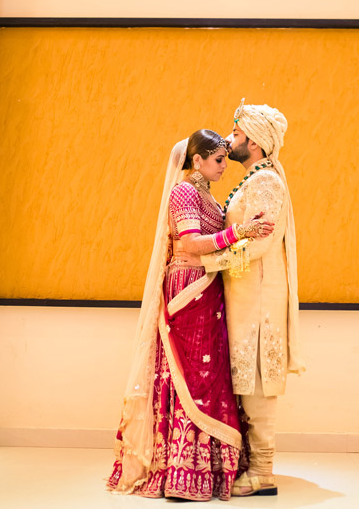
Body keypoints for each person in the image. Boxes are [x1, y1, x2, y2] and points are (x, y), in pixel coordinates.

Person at [107, 129, 274, 501]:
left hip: (207, 287)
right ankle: (181, 470)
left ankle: (207, 469)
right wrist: (241, 231)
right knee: (191, 374)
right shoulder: (184, 191)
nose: (223, 166)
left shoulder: (207, 195)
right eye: (218, 160)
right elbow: (191, 243)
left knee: (210, 376)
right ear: (197, 160)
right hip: (188, 287)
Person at [189, 102, 303, 497]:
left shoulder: (266, 181)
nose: (229, 140)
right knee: (245, 380)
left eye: (236, 134)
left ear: (253, 142)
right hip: (243, 294)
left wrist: (207, 262)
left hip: (258, 296)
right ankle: (251, 464)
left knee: (257, 382)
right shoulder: (254, 179)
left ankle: (263, 471)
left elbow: (259, 244)